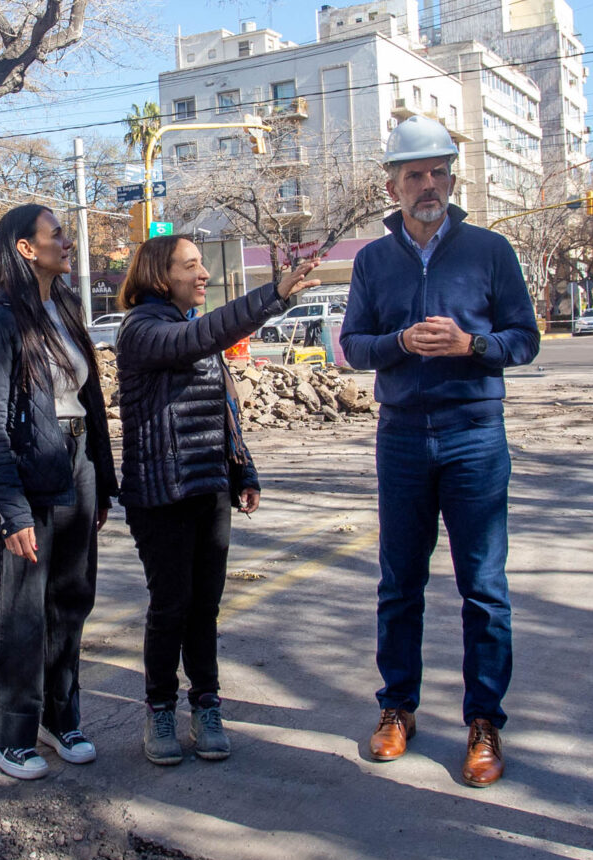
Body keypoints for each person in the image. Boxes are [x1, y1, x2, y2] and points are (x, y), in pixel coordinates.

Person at [340, 116, 539, 787]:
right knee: (400, 581)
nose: (430, 185)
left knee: (483, 585)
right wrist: (400, 343)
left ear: (453, 177)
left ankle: (484, 722)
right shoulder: (372, 260)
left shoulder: (489, 250)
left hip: (473, 433)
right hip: (399, 434)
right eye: (415, 174)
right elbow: (354, 346)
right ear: (391, 184)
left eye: (439, 172)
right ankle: (398, 707)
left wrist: (470, 346)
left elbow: (524, 338)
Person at [116, 232, 315, 765]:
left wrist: (243, 469)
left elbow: (224, 406)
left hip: (209, 489)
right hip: (160, 495)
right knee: (171, 606)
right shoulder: (142, 329)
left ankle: (206, 705)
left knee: (204, 609)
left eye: (202, 264)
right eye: (191, 265)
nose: (203, 274)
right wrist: (272, 295)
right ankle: (160, 708)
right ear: (161, 276)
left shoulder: (186, 329)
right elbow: (202, 339)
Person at [0, 205, 119, 780]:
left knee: (71, 599)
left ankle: (60, 717)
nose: (66, 242)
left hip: (75, 463)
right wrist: (10, 510)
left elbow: (91, 401)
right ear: (26, 248)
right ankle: (8, 734)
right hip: (26, 474)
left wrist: (101, 477)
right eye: (56, 235)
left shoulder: (67, 307)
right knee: (21, 608)